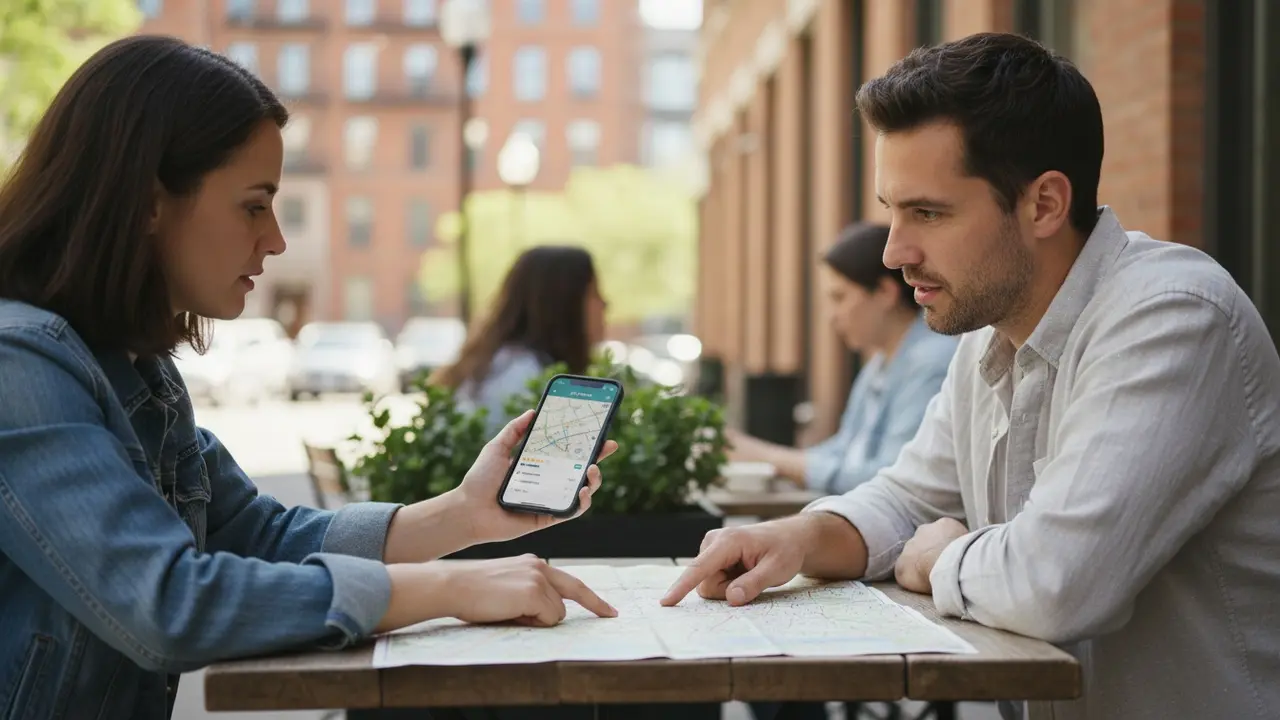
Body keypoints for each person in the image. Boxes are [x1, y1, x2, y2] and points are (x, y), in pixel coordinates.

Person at [662, 32, 1280, 720]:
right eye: (892, 211)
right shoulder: (989, 328)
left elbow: (1056, 582)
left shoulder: (1172, 316)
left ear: (1044, 204)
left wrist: (942, 558)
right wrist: (796, 538)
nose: (896, 251)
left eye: (928, 212)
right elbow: (908, 500)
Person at [0, 36, 617, 720]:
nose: (276, 239)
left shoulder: (137, 369)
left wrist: (463, 515)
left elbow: (257, 535)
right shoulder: (17, 363)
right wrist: (447, 590)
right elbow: (168, 603)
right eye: (253, 205)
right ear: (149, 201)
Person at [726, 222, 957, 495]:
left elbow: (892, 480)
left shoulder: (931, 362)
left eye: (839, 297)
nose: (831, 315)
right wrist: (764, 459)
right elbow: (845, 449)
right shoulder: (880, 364)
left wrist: (763, 456)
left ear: (885, 292)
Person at [432, 245, 607, 436]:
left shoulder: (501, 365)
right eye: (593, 293)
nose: (605, 303)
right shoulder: (525, 378)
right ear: (564, 305)